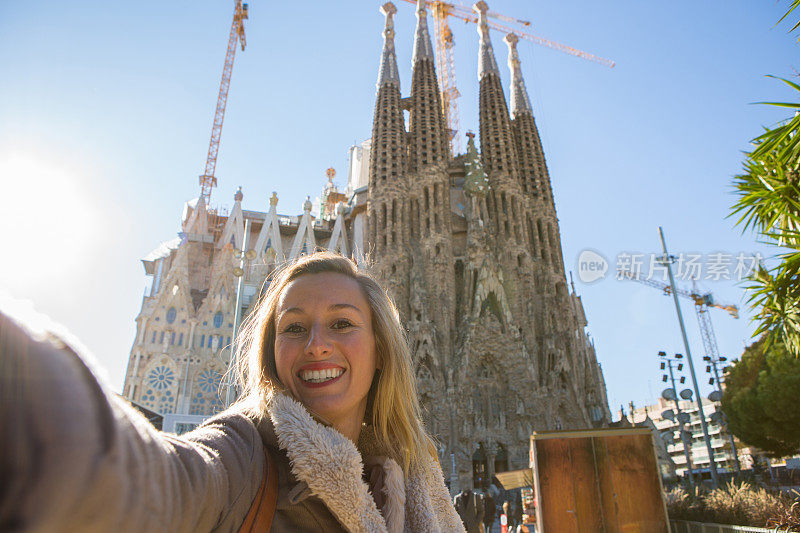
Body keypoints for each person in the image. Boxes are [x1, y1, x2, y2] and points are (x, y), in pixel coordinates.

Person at [0, 252, 465, 532]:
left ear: (381, 350)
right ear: (271, 355)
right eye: (294, 327)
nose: (316, 344)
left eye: (342, 323)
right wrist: (30, 383)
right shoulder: (243, 454)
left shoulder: (407, 477)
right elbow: (163, 482)